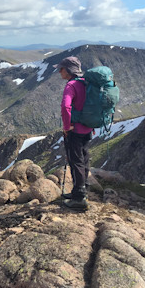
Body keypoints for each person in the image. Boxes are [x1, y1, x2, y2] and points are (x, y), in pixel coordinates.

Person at [54, 56, 93, 210]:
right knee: (84, 159)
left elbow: (65, 106)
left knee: (76, 161)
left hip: (75, 129)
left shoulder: (71, 85)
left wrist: (66, 126)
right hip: (87, 128)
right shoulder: (85, 83)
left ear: (68, 70)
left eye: (61, 69)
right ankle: (82, 189)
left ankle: (79, 199)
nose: (59, 72)